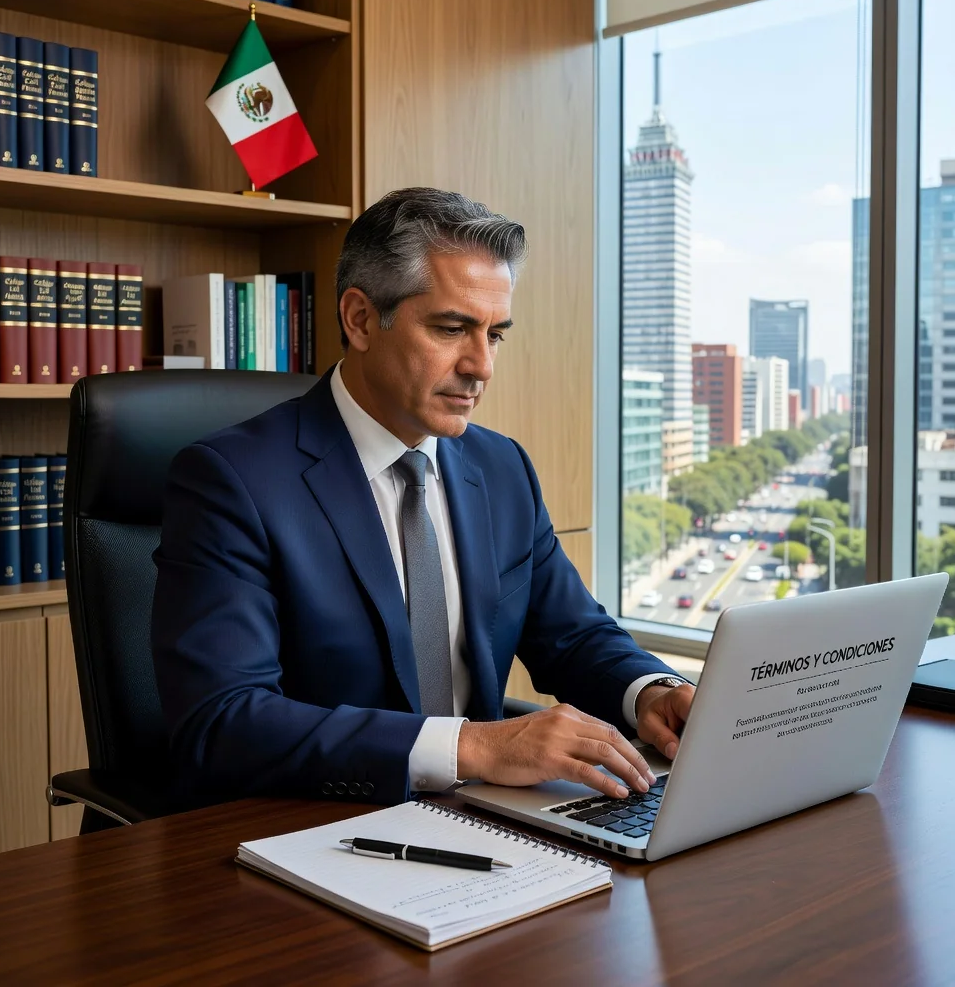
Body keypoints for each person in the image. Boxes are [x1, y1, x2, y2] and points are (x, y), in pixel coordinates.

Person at [151, 187, 695, 807]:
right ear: (359, 319)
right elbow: (223, 721)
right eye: (452, 328)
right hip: (314, 829)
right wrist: (476, 747)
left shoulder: (502, 467)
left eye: (495, 335)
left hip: (489, 824)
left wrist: (652, 691)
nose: (482, 366)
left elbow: (573, 636)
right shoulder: (230, 480)